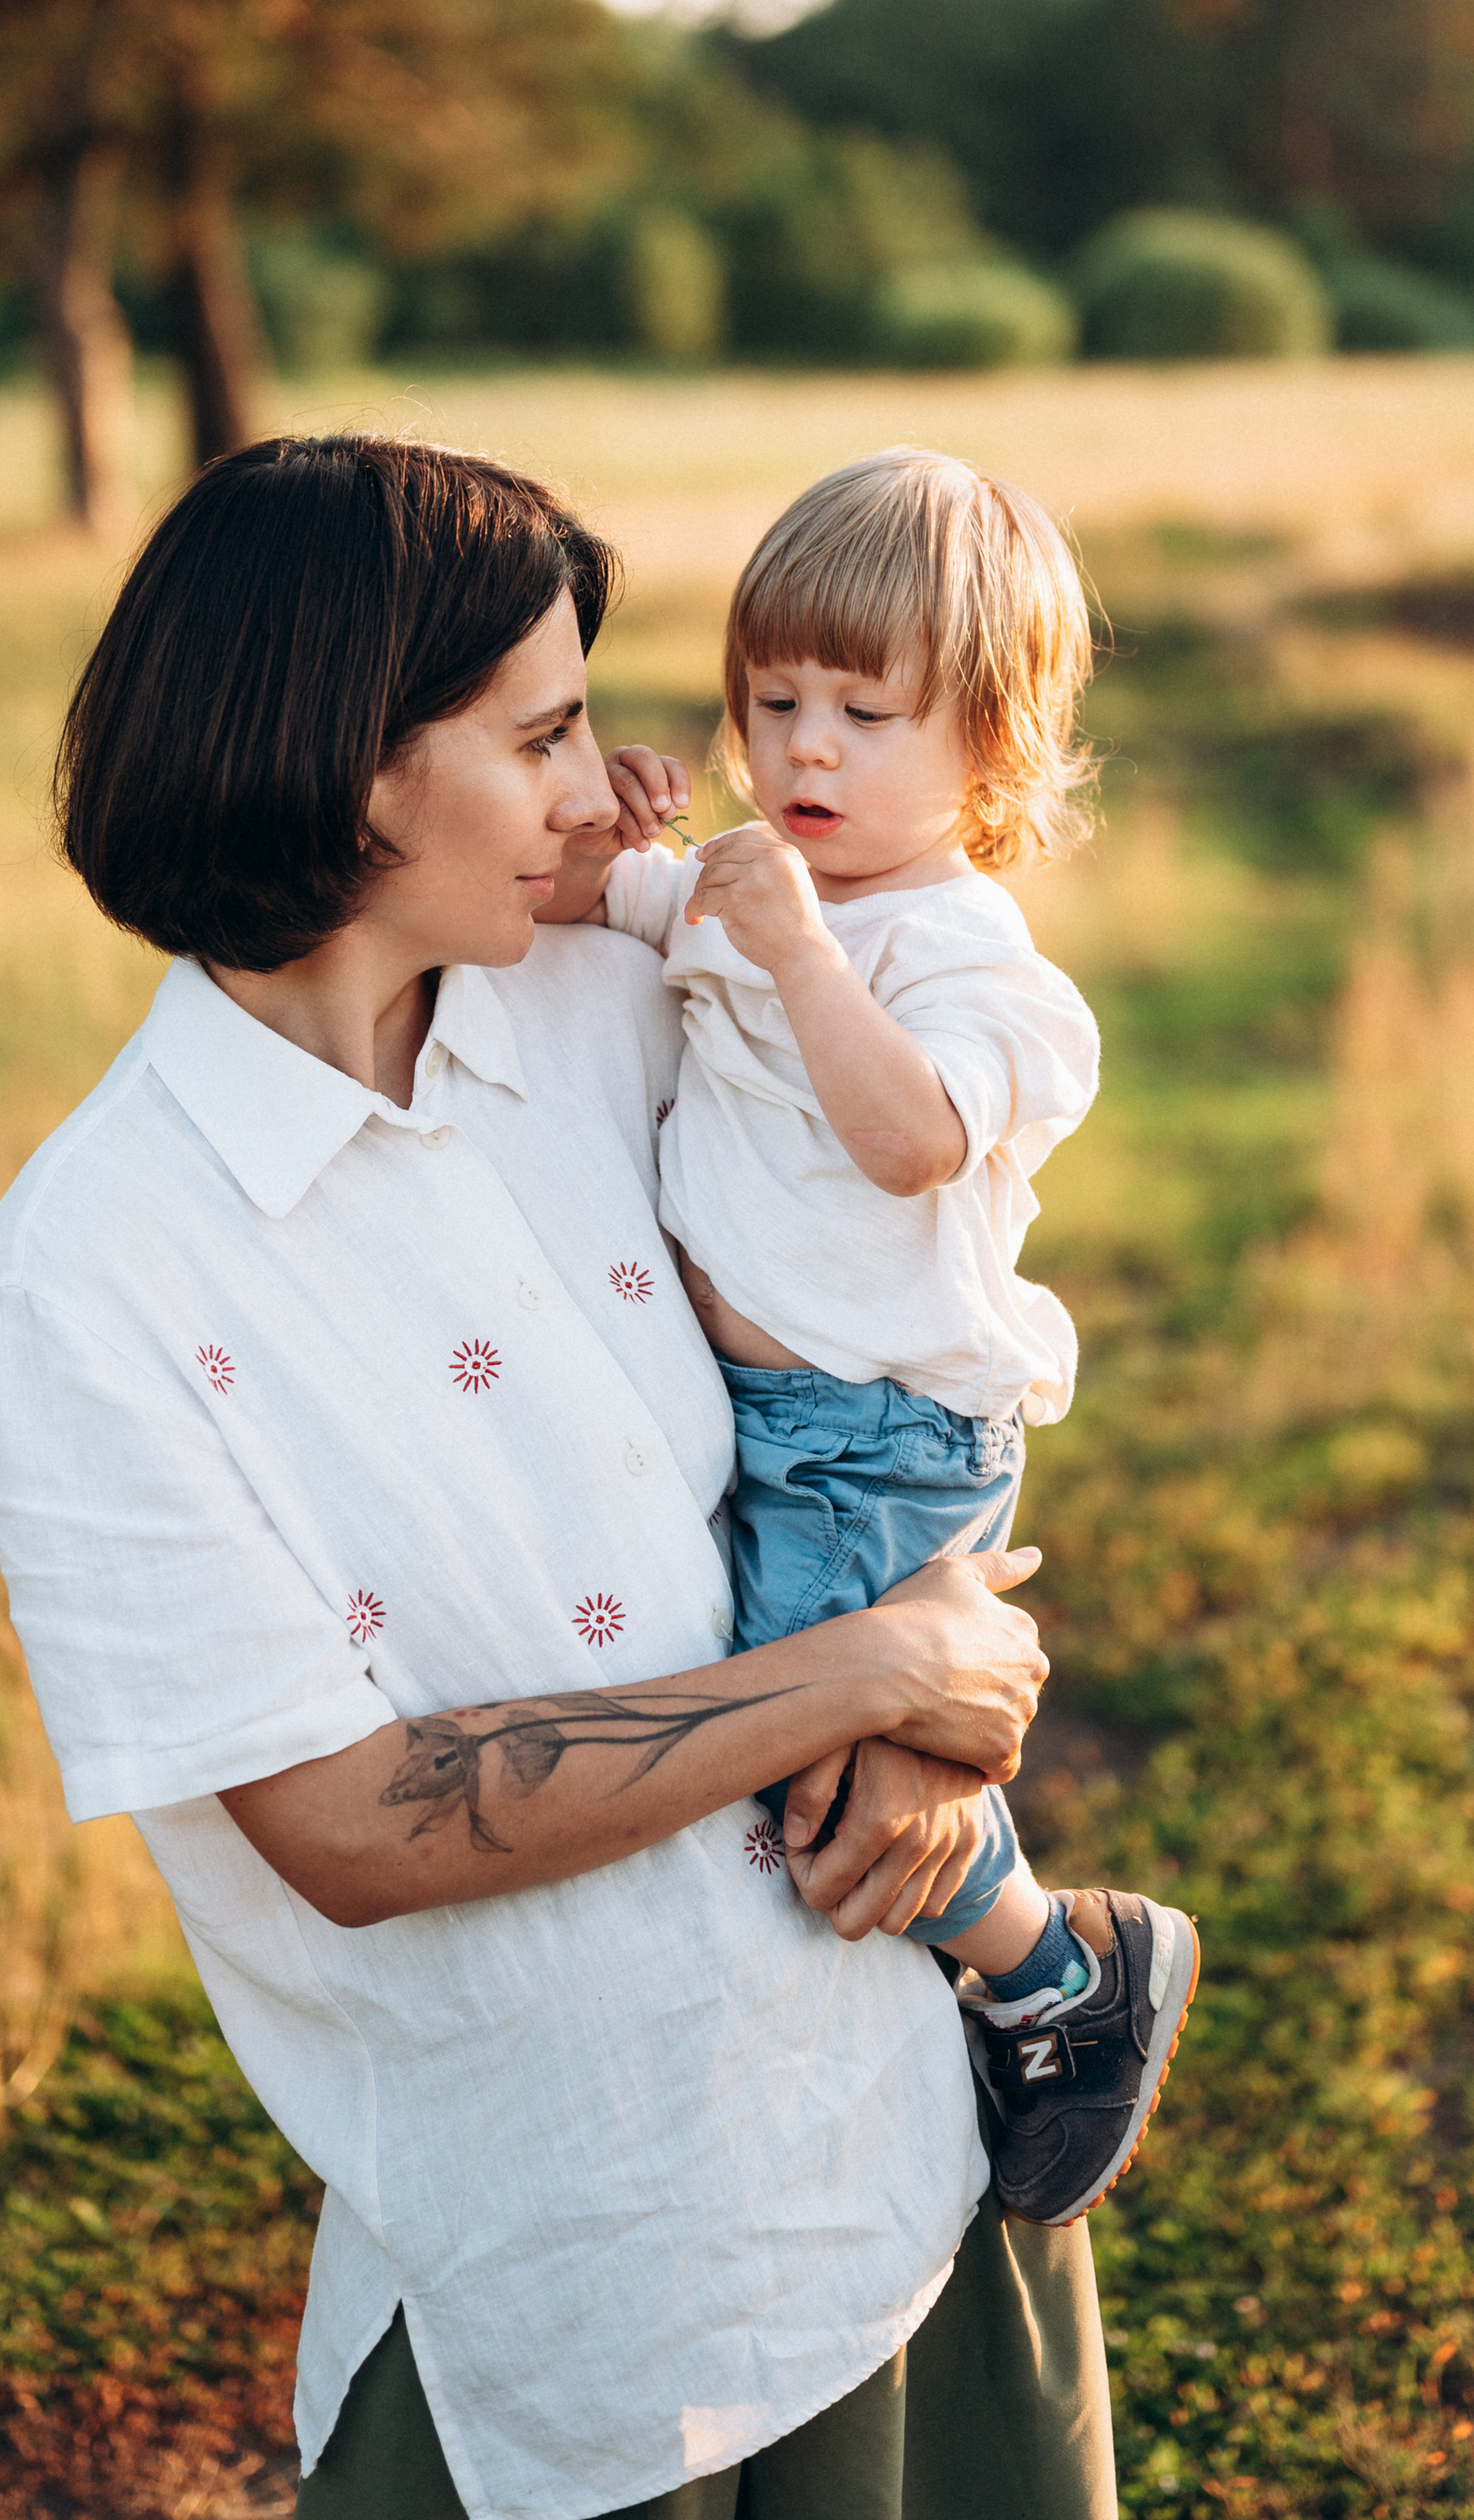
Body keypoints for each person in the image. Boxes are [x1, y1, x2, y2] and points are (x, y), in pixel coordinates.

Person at [0, 433, 1121, 2520]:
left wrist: (933, 1665)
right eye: (544, 737)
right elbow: (350, 1826)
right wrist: (872, 1671)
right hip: (561, 2282)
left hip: (892, 2137)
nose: (610, 796)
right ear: (350, 770)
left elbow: (902, 1308)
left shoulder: (611, 990)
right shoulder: (99, 1270)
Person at [540, 449, 1197, 2230]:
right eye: (772, 703)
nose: (804, 752)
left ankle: (1056, 1976)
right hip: (766, 1416)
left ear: (987, 749)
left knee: (815, 1774)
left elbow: (910, 1139)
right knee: (781, 1749)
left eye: (864, 713)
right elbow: (572, 902)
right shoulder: (748, 885)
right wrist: (610, 822)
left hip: (874, 1431)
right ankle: (982, 1984)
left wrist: (800, 954)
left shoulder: (975, 964)